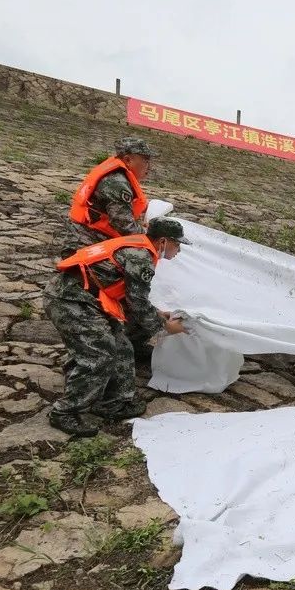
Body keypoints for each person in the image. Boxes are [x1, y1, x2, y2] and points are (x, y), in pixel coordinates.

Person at [45, 218, 189, 437]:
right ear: (163, 241)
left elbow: (133, 298)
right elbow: (137, 305)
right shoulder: (141, 257)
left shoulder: (140, 245)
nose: (178, 250)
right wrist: (166, 326)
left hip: (89, 298)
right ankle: (65, 412)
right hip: (70, 299)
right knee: (98, 355)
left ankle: (112, 402)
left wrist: (158, 314)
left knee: (122, 347)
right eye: (177, 244)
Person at [62, 137, 157, 363]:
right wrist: (149, 243)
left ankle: (126, 344)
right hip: (87, 245)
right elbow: (124, 226)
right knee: (99, 300)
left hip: (96, 242)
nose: (148, 167)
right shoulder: (116, 183)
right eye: (144, 161)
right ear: (128, 159)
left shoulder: (119, 177)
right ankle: (94, 352)